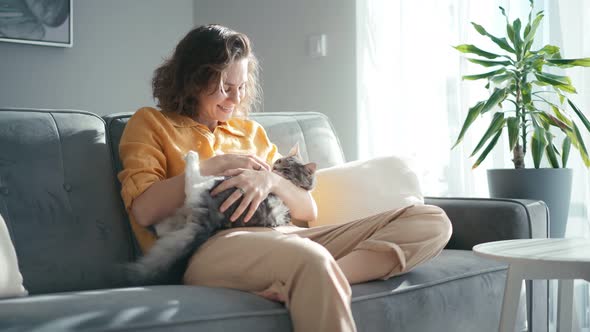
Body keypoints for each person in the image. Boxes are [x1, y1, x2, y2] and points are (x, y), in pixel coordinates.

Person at [118, 24, 452, 332]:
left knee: (432, 221)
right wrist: (213, 165)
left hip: (287, 236)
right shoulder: (151, 124)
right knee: (311, 260)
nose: (235, 99)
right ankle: (313, 274)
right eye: (223, 88)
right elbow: (145, 211)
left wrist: (271, 182)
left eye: (241, 87)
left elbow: (307, 211)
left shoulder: (250, 131)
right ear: (192, 82)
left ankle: (321, 278)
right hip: (211, 245)